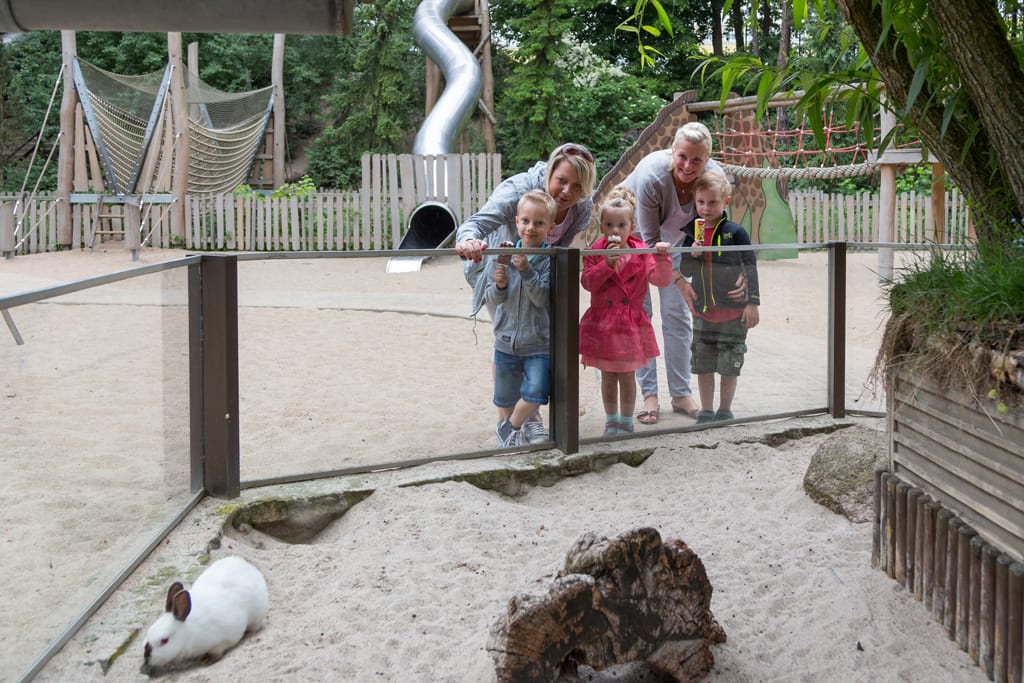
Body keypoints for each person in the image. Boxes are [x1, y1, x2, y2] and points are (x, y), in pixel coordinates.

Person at [456, 143, 596, 444]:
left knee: (534, 340)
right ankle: (516, 423)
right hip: (500, 273)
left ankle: (521, 420)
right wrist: (469, 241)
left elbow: (562, 246)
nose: (567, 191)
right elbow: (478, 223)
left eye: (577, 186)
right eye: (561, 180)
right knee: (509, 338)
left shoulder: (582, 206)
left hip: (537, 277)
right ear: (550, 172)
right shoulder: (519, 189)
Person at [622, 121, 745, 425]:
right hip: (637, 239)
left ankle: (680, 393)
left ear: (708, 160)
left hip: (675, 244)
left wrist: (738, 268)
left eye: (697, 160)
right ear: (672, 151)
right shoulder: (653, 176)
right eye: (683, 157)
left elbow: (719, 227)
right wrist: (678, 279)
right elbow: (649, 241)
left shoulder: (713, 178)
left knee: (677, 315)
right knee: (641, 316)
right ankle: (649, 394)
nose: (688, 166)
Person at [579, 186, 673, 437]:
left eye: (621, 225)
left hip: (630, 323)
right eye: (609, 225)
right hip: (603, 324)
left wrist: (662, 258)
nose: (615, 231)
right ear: (601, 227)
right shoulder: (595, 251)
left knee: (628, 375)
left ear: (632, 228)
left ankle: (625, 420)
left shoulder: (641, 251)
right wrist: (605, 265)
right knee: (608, 375)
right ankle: (611, 420)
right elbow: (587, 282)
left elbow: (660, 280)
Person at [676, 170, 760, 424]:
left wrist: (753, 302)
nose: (706, 208)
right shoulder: (691, 233)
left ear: (726, 202)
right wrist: (691, 255)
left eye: (713, 202)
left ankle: (725, 409)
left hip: (733, 313)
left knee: (729, 362)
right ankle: (706, 409)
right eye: (701, 202)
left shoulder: (736, 233)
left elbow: (750, 267)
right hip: (703, 311)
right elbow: (686, 271)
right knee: (703, 362)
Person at [482, 190, 556, 448]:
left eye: (539, 223)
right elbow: (492, 298)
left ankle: (509, 428)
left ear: (550, 226)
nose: (531, 228)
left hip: (537, 342)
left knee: (535, 394)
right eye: (525, 221)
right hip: (506, 340)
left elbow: (541, 298)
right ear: (516, 222)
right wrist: (500, 285)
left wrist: (525, 269)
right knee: (503, 398)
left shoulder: (549, 260)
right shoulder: (503, 254)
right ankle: (511, 435)